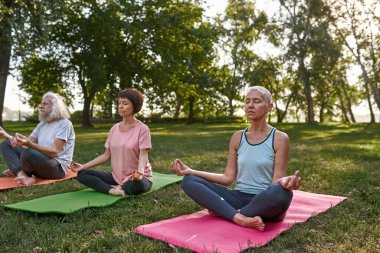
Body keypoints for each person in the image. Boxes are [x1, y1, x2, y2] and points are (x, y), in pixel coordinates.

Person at [171, 86, 301, 231]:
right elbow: (227, 178)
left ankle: (226, 212)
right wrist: (191, 171)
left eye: (256, 101)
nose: (250, 105)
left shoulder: (280, 138)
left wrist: (285, 182)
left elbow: (276, 182)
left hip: (265, 200)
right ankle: (240, 218)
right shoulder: (237, 137)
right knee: (189, 181)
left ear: (269, 107)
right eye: (247, 101)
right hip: (238, 198)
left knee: (282, 193)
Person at [70, 88, 153, 196]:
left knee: (138, 186)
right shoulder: (114, 128)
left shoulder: (143, 129)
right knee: (82, 175)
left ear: (135, 106)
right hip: (116, 177)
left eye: (125, 103)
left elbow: (143, 155)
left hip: (138, 178)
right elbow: (106, 156)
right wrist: (83, 166)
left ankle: (118, 187)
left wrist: (140, 174)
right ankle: (112, 190)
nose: (121, 106)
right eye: (119, 103)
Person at [0, 92, 75, 186]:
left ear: (55, 107)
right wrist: (5, 135)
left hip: (57, 168)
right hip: (41, 162)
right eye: (41, 103)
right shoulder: (42, 124)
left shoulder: (65, 124)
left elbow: (54, 152)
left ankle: (17, 170)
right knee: (6, 144)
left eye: (45, 104)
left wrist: (29, 145)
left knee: (29, 152)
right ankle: (23, 175)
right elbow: (25, 143)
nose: (41, 106)